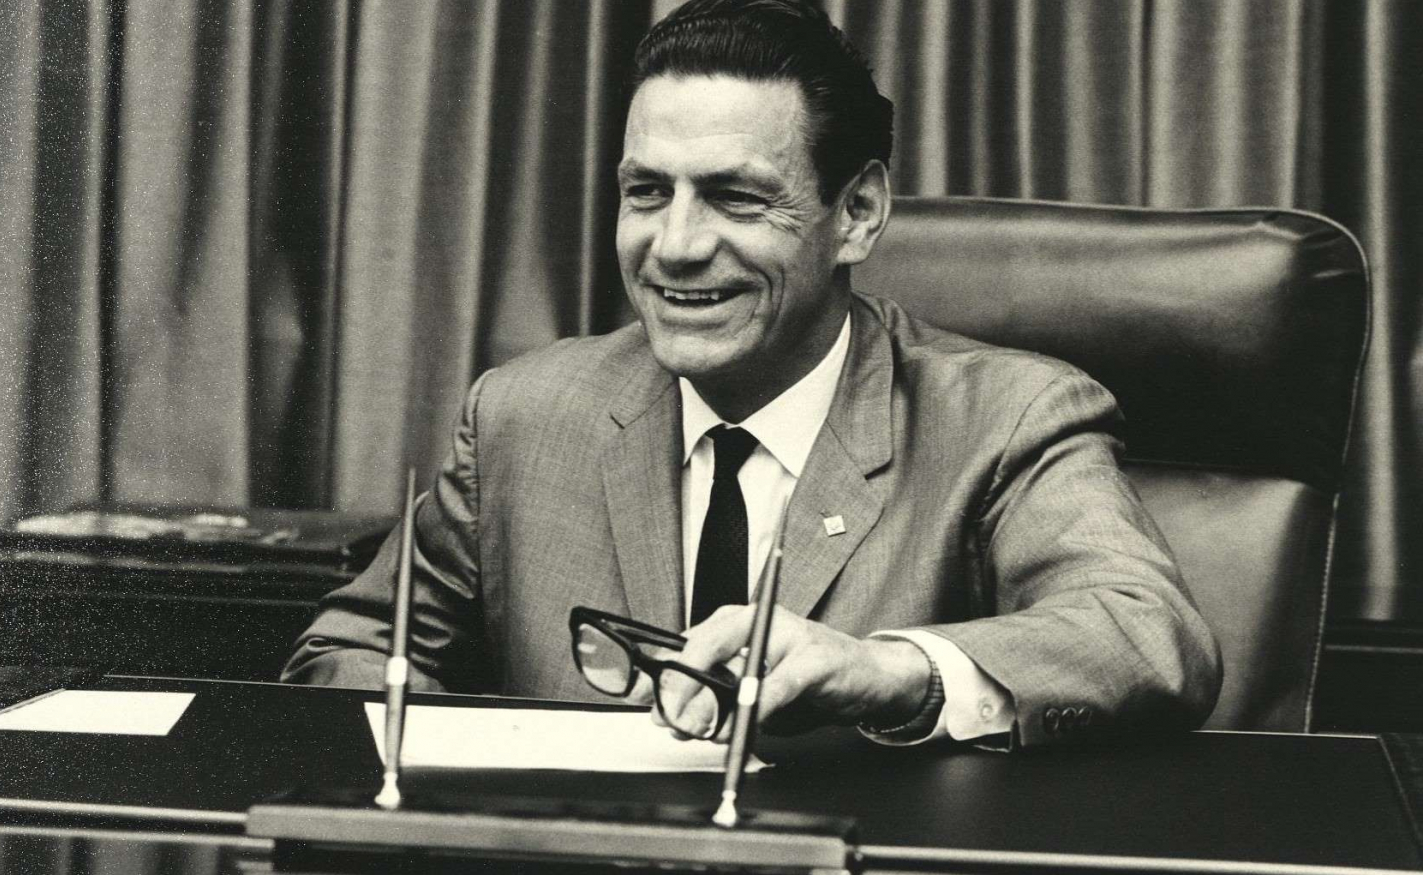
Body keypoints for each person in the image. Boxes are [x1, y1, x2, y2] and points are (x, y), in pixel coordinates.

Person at [283, 0, 1221, 749]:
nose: (676, 247)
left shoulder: (1009, 416)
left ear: (856, 212)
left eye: (735, 197)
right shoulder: (524, 415)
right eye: (646, 192)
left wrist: (887, 669)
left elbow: (1145, 634)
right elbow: (355, 648)